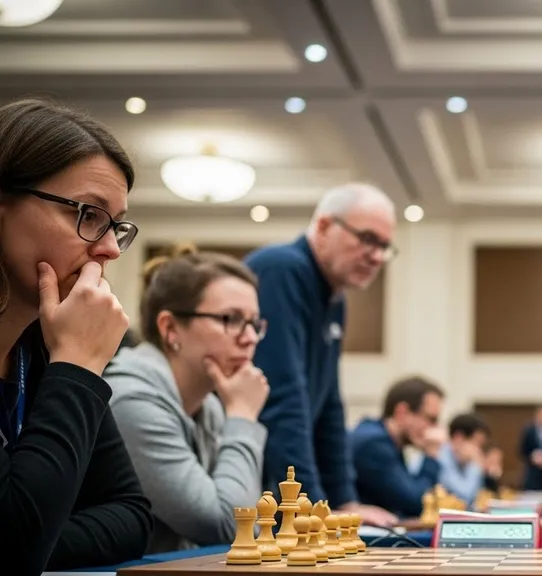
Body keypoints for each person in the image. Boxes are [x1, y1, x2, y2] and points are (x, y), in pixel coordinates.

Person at [0, 98, 152, 572]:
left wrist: (34, 535)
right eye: (88, 214)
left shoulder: (43, 345)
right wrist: (78, 364)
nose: (110, 249)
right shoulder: (70, 349)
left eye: (115, 225)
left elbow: (131, 516)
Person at [245, 183, 398, 527]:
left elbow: (329, 405)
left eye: (384, 246)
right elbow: (283, 400)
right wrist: (312, 510)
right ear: (325, 226)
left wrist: (345, 501)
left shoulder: (334, 298)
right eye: (368, 239)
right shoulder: (283, 270)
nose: (377, 256)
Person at [104, 246, 270, 553]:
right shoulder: (131, 400)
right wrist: (244, 418)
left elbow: (250, 522)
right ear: (170, 328)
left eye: (254, 323)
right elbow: (230, 526)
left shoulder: (210, 406)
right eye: (231, 319)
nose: (249, 338)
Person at [350, 376, 446, 517]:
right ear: (402, 412)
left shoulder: (385, 440)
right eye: (431, 419)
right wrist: (431, 455)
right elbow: (416, 503)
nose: (435, 429)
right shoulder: (375, 444)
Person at [436, 413, 491, 504]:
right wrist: (476, 465)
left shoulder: (462, 462)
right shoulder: (441, 457)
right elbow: (465, 497)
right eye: (476, 444)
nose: (478, 451)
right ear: (459, 437)